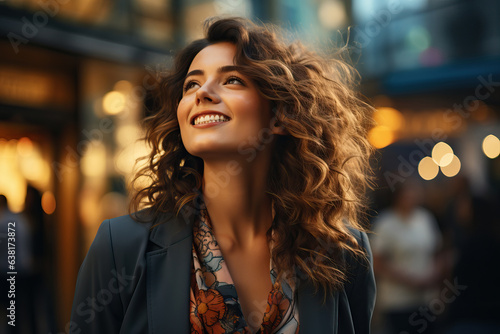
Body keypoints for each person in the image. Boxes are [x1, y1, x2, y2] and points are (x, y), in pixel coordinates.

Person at [70, 17, 376, 333]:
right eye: (192, 84)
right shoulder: (120, 246)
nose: (202, 93)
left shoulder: (343, 252)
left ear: (280, 115)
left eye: (231, 80)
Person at [370, 181, 442, 334]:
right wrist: (410, 280)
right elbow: (377, 262)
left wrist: (433, 276)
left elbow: (436, 252)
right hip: (397, 301)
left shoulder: (425, 218)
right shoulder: (385, 223)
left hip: (425, 299)